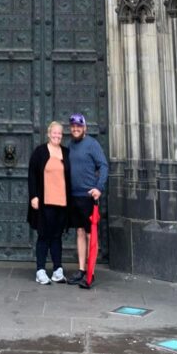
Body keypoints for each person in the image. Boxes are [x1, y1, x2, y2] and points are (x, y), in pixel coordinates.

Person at [66, 113, 108, 288]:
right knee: (80, 233)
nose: (76, 129)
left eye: (79, 126)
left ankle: (91, 272)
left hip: (87, 197)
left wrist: (98, 188)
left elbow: (103, 165)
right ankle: (82, 269)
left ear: (85, 128)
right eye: (73, 126)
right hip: (74, 196)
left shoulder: (92, 144)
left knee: (91, 235)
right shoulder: (69, 146)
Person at [27, 121, 71, 285]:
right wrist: (34, 196)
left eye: (59, 133)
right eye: (54, 133)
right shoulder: (40, 152)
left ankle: (58, 270)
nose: (57, 136)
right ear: (48, 133)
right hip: (44, 201)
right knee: (44, 235)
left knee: (57, 236)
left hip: (62, 202)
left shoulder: (66, 152)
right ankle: (40, 270)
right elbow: (32, 174)